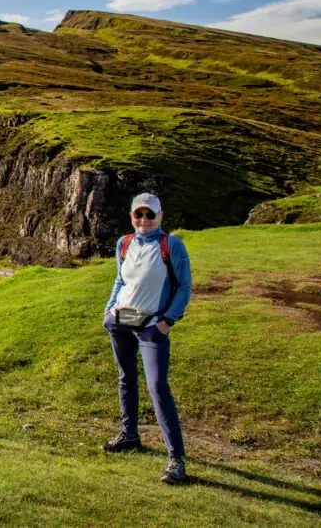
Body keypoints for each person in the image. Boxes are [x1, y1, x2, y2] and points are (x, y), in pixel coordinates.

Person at [101, 193, 192, 484]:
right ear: (131, 216)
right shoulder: (124, 243)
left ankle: (176, 460)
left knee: (157, 386)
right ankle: (130, 435)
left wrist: (166, 322)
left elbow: (184, 287)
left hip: (153, 324)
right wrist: (109, 311)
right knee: (126, 377)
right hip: (122, 320)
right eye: (138, 215)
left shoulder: (171, 245)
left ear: (160, 216)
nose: (144, 220)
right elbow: (120, 279)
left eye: (149, 215)